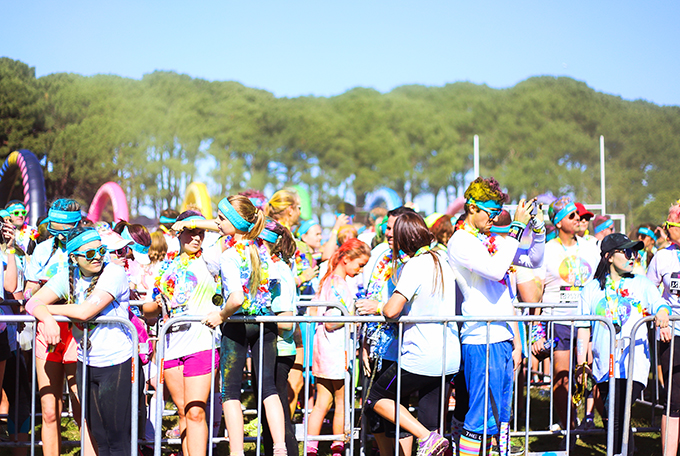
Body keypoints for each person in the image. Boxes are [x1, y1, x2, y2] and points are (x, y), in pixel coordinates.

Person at [448, 177, 542, 456]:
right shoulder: (460, 241)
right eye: (490, 213)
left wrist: (537, 229)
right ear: (472, 208)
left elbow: (533, 259)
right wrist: (514, 228)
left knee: (499, 416)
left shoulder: (489, 239)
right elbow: (496, 270)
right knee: (479, 417)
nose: (494, 218)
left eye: (498, 213)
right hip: (480, 338)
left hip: (501, 336)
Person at [25, 227, 135, 456]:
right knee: (99, 435)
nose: (97, 257)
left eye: (101, 250)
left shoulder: (113, 272)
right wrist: (47, 318)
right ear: (73, 257)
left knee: (116, 438)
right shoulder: (68, 274)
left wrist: (48, 310)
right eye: (90, 253)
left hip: (116, 363)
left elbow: (85, 312)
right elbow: (32, 302)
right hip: (86, 362)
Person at [362, 212, 460, 456]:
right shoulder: (442, 259)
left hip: (421, 357)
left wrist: (377, 306)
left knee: (376, 397)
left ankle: (426, 438)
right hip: (447, 356)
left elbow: (391, 309)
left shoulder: (415, 265)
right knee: (432, 423)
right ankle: (430, 437)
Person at [202, 195, 288, 456]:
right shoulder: (263, 250)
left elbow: (236, 298)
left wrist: (221, 315)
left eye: (221, 218)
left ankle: (237, 451)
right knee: (268, 388)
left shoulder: (229, 255)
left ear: (235, 222)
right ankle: (280, 448)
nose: (217, 222)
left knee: (230, 392)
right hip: (264, 321)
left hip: (238, 323)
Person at [577, 233, 671, 455]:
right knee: (614, 413)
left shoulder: (641, 283)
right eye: (627, 252)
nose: (633, 257)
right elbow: (583, 328)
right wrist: (581, 362)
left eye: (635, 252)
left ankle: (620, 452)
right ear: (609, 256)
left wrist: (663, 314)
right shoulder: (591, 289)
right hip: (603, 364)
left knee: (617, 408)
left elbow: (660, 304)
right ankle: (627, 450)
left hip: (633, 362)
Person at [143, 210, 220, 456]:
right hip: (173, 344)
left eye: (200, 233)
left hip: (202, 343)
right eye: (191, 232)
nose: (196, 237)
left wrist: (195, 222)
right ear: (179, 234)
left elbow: (232, 228)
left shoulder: (211, 259)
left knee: (196, 411)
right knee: (183, 411)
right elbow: (151, 309)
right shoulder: (167, 266)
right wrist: (153, 304)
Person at [532, 196, 601, 436]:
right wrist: (536, 331)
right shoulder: (547, 250)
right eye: (572, 216)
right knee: (561, 378)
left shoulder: (591, 247)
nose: (578, 219)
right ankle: (570, 429)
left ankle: (605, 425)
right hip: (559, 321)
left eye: (579, 215)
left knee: (591, 374)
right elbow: (537, 294)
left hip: (589, 323)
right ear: (559, 223)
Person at [23, 199, 86, 456]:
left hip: (77, 331)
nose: (58, 235)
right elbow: (30, 290)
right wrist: (34, 290)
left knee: (81, 405)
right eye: (54, 228)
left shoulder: (87, 248)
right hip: (47, 331)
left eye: (64, 229)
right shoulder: (42, 250)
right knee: (49, 410)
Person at [355, 206, 416, 456]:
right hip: (376, 345)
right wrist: (365, 344)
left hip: (401, 348)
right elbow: (367, 297)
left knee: (397, 410)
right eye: (386, 227)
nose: (387, 232)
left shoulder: (413, 260)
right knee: (372, 408)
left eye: (391, 228)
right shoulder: (380, 254)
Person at [306, 238, 370, 456]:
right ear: (346, 259)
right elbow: (333, 321)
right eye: (359, 265)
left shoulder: (329, 281)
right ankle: (337, 447)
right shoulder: (338, 285)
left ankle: (311, 447)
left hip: (325, 350)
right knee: (342, 402)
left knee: (322, 401)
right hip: (336, 351)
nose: (360, 271)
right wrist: (354, 316)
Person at [259, 220, 300, 456]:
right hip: (270, 348)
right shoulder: (274, 267)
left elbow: (286, 321)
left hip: (279, 350)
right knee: (269, 418)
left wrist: (256, 317)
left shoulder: (278, 271)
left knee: (279, 419)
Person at [647, 200, 680, 456]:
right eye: (667, 222)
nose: (668, 227)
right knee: (674, 401)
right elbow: (648, 294)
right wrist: (661, 316)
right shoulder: (662, 256)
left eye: (673, 222)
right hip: (673, 335)